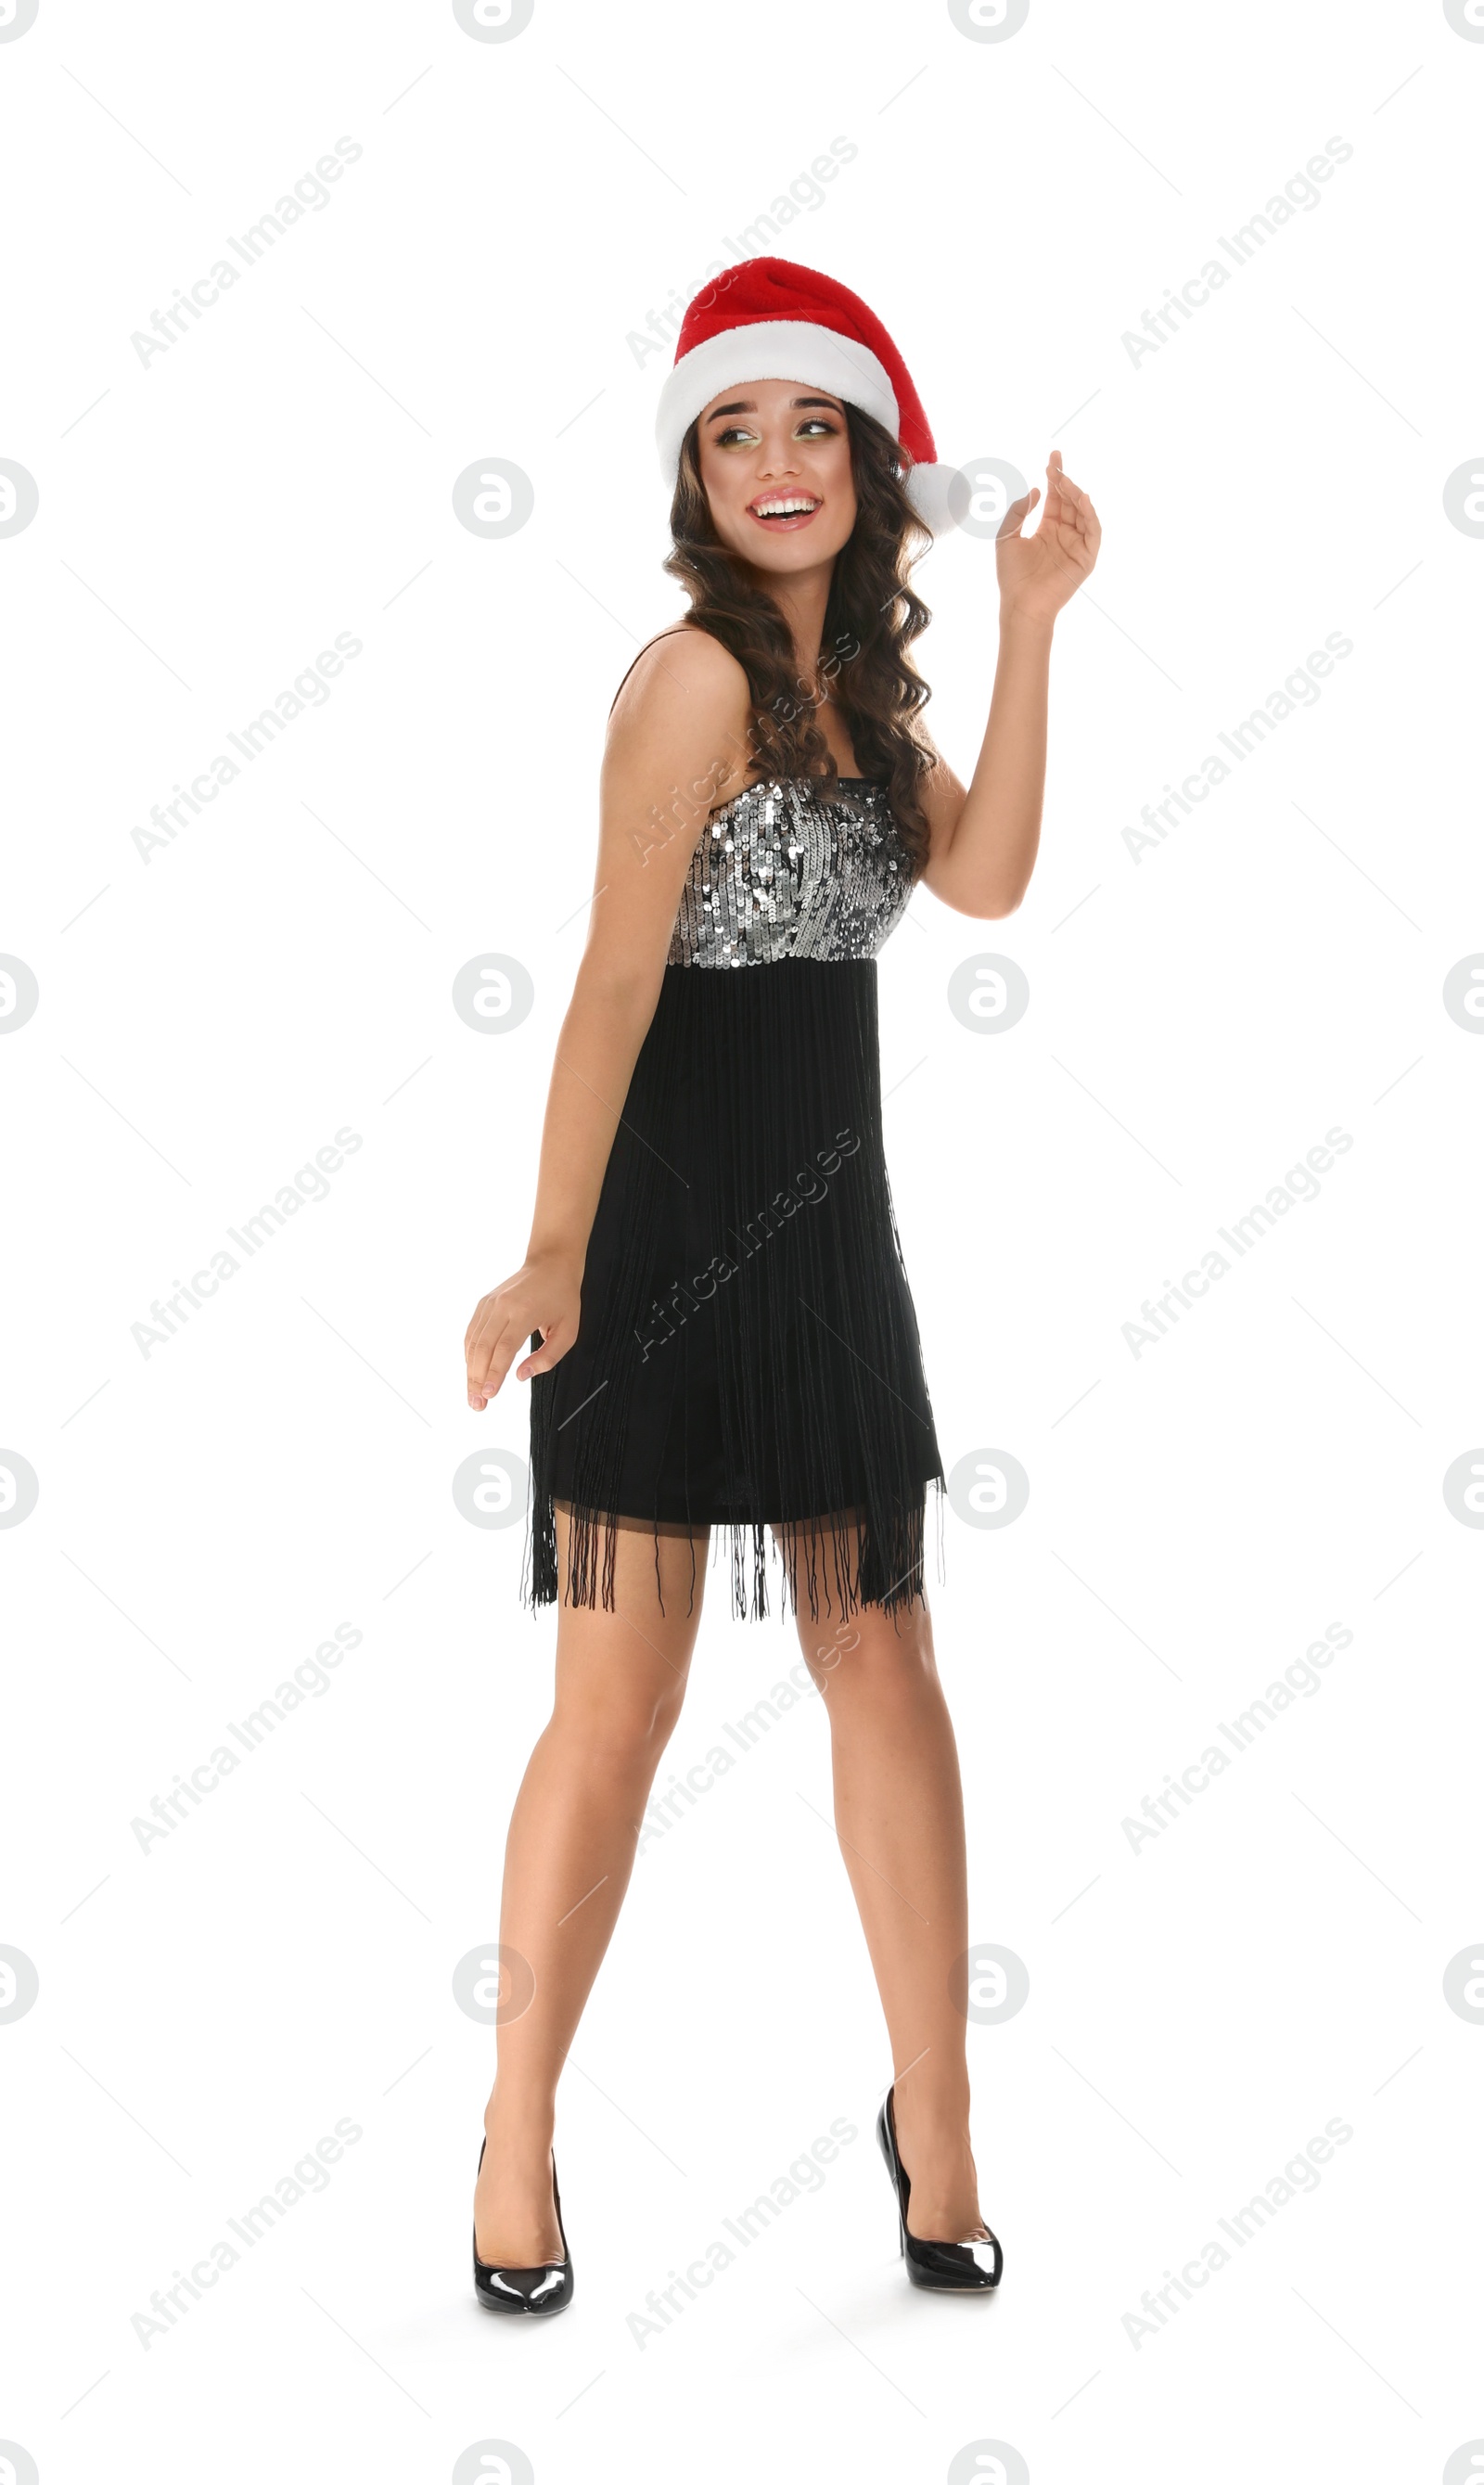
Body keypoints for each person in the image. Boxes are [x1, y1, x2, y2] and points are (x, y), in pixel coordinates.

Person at [463, 257, 1100, 2314]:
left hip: (829, 1244)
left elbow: (984, 875)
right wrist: (553, 1248)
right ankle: (512, 2128)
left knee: (884, 1667)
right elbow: (613, 980)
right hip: (656, 1244)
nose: (769, 462)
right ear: (691, 478)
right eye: (729, 432)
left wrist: (1028, 622)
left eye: (805, 424)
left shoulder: (863, 703)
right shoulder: (687, 684)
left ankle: (940, 2123)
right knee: (615, 1706)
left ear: (866, 459)